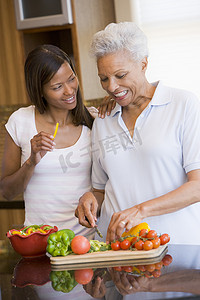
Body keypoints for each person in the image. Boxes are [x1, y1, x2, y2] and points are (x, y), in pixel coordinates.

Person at [75, 22, 200, 245]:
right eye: (104, 78)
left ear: (143, 63)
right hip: (118, 253)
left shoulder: (183, 105)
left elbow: (197, 186)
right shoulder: (103, 120)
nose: (112, 87)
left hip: (177, 248)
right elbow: (100, 189)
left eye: (120, 75)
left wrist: (141, 211)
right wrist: (90, 199)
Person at [0, 44, 102, 239]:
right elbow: (7, 192)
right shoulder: (20, 121)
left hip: (88, 243)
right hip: (41, 244)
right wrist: (31, 161)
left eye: (71, 79)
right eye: (57, 87)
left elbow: (106, 186)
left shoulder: (94, 121)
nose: (69, 90)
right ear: (40, 91)